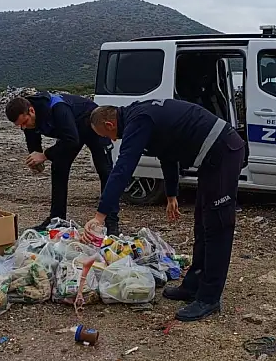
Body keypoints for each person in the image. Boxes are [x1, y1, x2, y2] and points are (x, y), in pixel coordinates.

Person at [82, 98, 245, 322]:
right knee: (202, 222)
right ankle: (194, 285)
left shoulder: (138, 121)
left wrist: (100, 216)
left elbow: (123, 169)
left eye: (106, 135)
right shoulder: (140, 116)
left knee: (217, 225)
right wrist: (171, 194)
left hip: (223, 150)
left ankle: (209, 298)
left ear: (109, 125)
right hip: (211, 156)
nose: (111, 140)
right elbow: (167, 152)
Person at [5, 92, 119, 235]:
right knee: (58, 167)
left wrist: (45, 155)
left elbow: (71, 140)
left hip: (90, 123)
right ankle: (57, 219)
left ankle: (111, 221)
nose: (23, 127)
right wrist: (36, 160)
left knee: (105, 171)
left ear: (31, 111)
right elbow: (33, 142)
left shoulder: (58, 108)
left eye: (24, 122)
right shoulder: (28, 121)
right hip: (70, 132)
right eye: (19, 125)